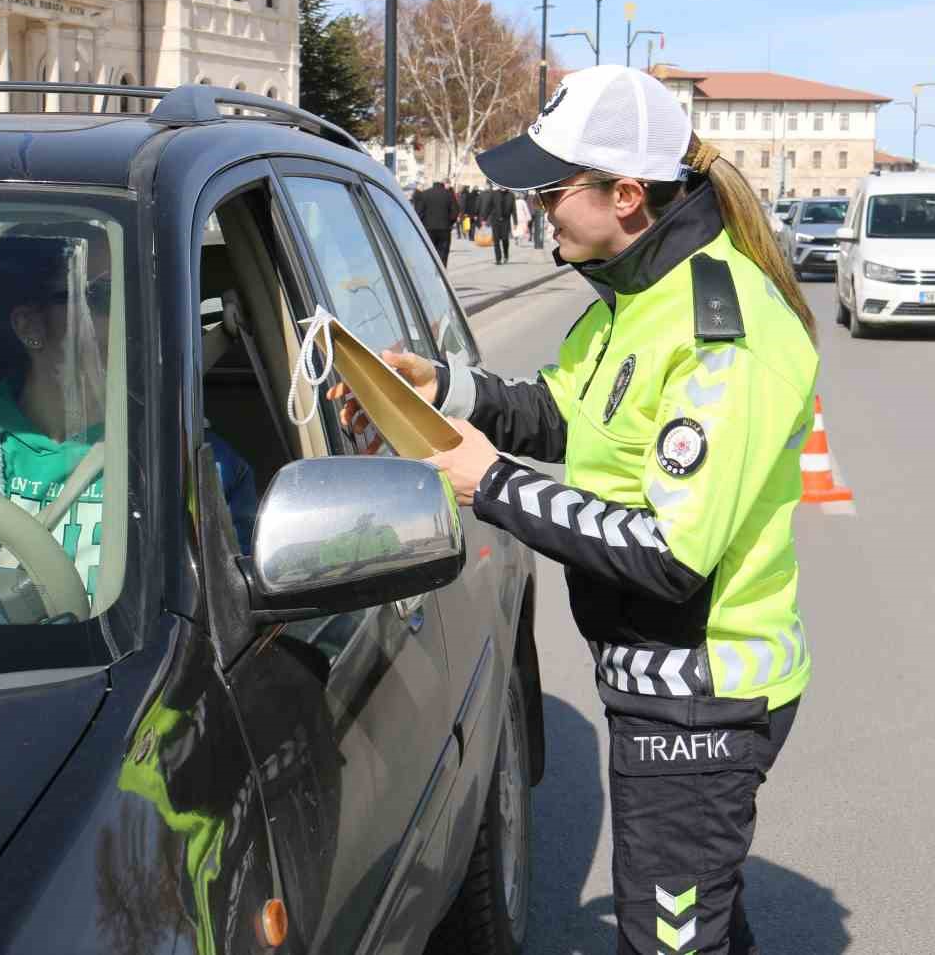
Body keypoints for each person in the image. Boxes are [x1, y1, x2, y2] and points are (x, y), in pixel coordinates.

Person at [333, 66, 817, 954]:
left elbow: (674, 553)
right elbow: (570, 416)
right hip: (657, 684)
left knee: (670, 943)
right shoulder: (631, 298)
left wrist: (494, 486)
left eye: (553, 190)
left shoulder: (724, 333)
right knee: (701, 929)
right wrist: (445, 388)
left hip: (702, 699)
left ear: (626, 195)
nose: (535, 208)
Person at [0, 235, 256, 589]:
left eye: (145, 298)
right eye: (105, 297)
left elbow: (224, 621)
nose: (138, 320)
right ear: (29, 324)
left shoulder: (199, 465)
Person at [412, 178, 458, 266]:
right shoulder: (448, 195)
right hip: (444, 229)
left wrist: (422, 225)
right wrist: (450, 223)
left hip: (428, 228)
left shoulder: (425, 194)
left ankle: (429, 271)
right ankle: (441, 273)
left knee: (429, 252)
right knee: (443, 253)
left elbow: (419, 212)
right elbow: (455, 212)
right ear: (443, 184)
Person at [487, 185, 514, 264]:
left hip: (506, 221)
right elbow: (489, 206)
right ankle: (498, 259)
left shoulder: (510, 195)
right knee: (496, 240)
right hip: (495, 221)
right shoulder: (494, 194)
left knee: (505, 239)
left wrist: (515, 222)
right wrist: (484, 218)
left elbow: (513, 209)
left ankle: (506, 255)